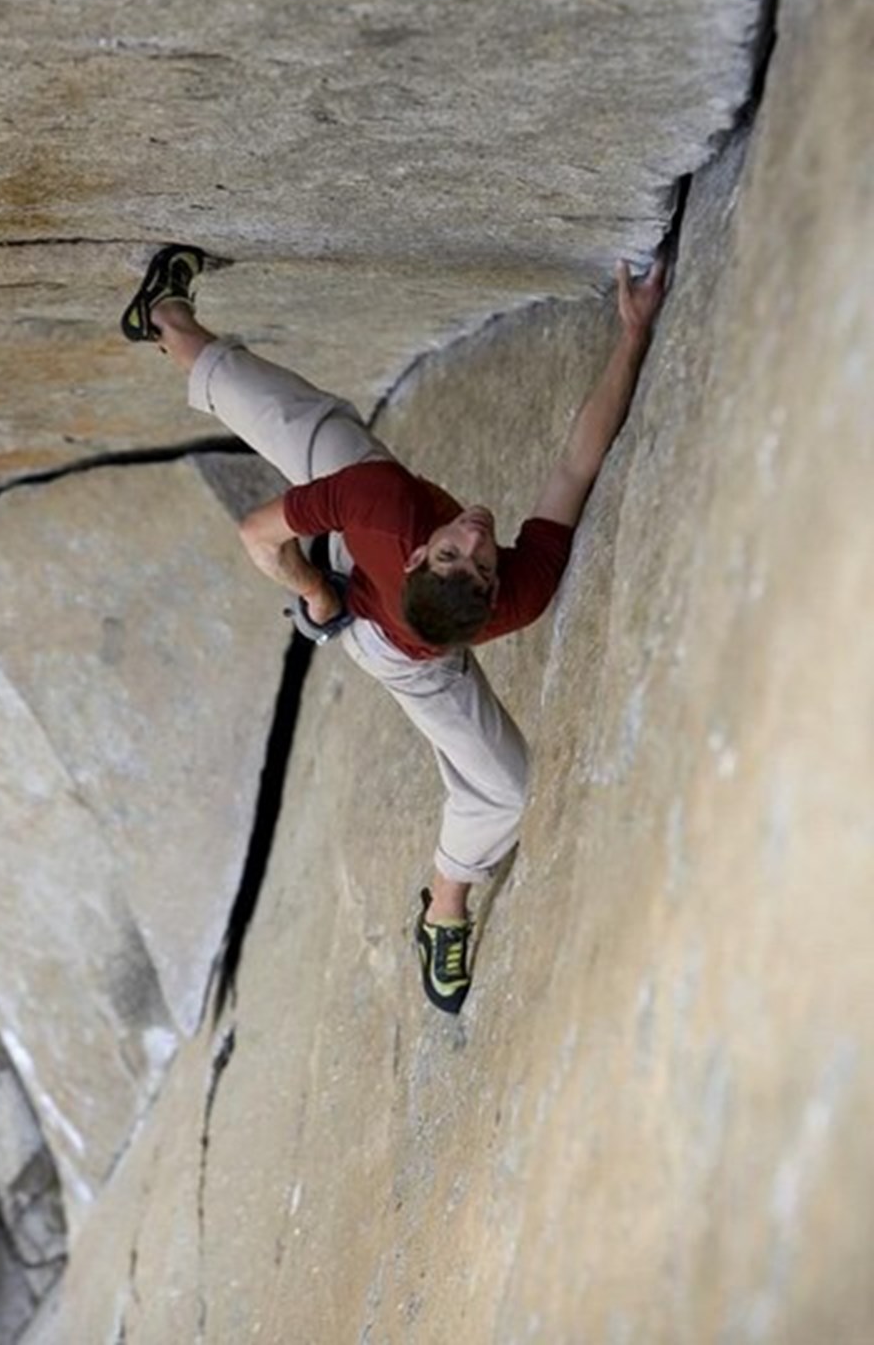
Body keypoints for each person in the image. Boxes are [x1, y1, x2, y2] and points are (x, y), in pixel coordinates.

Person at [121, 245, 667, 1013]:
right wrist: (318, 593)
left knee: (503, 790)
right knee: (504, 792)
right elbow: (256, 535)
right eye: (465, 555)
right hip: (377, 618)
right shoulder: (395, 511)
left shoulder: (474, 569)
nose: (477, 536)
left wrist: (634, 332)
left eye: (472, 560)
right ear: (419, 553)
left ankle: (442, 908)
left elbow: (576, 463)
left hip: (392, 618)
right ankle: (165, 317)